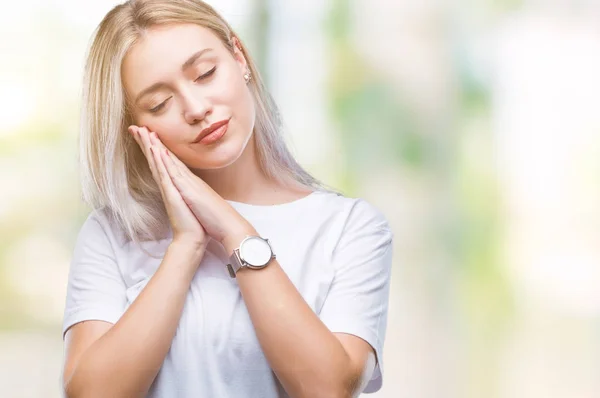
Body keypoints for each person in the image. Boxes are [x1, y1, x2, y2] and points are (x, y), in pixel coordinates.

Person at [60, 0, 394, 397]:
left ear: (240, 58)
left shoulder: (350, 228)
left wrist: (234, 230)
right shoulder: (113, 234)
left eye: (205, 73)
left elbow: (328, 388)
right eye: (159, 104)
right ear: (136, 128)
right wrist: (185, 246)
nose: (197, 109)